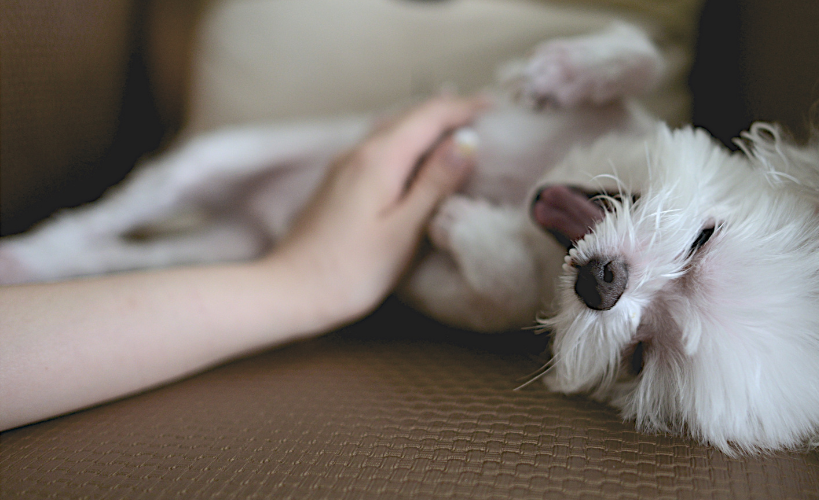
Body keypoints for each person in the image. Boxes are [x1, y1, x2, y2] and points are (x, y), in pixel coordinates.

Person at [0, 95, 488, 432]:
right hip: (313, 216)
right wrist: (301, 283)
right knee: (201, 170)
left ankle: (59, 252)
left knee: (181, 250)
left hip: (282, 245)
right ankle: (58, 248)